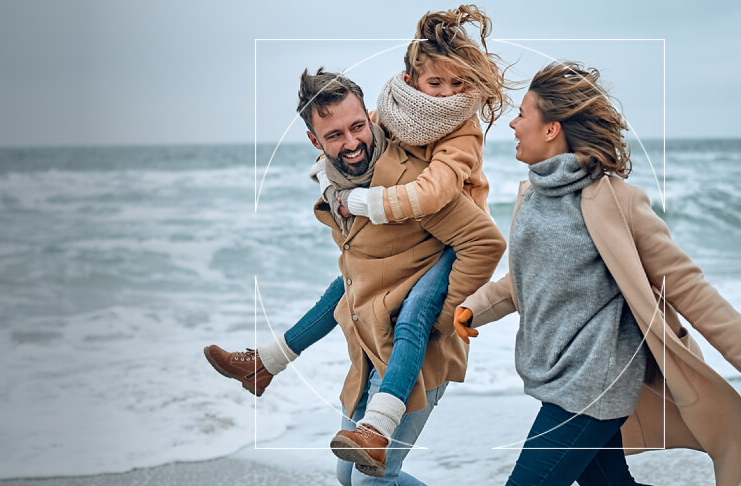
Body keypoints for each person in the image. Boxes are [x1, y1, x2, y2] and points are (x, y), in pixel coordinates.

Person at [203, 7, 510, 480]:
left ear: (370, 119)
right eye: (334, 134)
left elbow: (485, 242)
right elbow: (356, 264)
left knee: (371, 480)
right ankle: (264, 364)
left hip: (415, 353)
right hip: (371, 344)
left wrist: (443, 317)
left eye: (357, 127)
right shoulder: (357, 169)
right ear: (313, 140)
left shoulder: (418, 178)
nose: (351, 141)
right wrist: (337, 193)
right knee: (349, 477)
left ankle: (275, 368)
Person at [451, 61, 741, 486]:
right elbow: (522, 283)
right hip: (554, 374)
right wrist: (473, 309)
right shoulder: (531, 195)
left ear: (552, 128)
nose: (513, 125)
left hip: (598, 380)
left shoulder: (616, 201)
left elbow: (685, 284)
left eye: (522, 114)